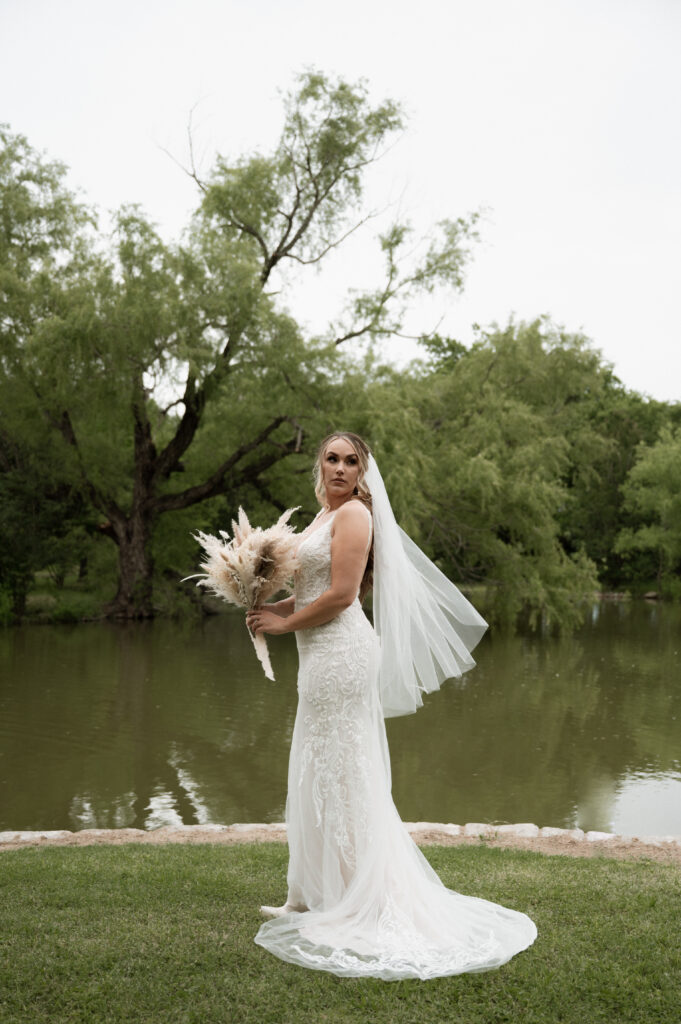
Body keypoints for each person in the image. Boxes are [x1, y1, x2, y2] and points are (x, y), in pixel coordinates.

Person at [246, 432, 536, 980]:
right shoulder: (318, 517)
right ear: (320, 464)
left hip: (342, 654)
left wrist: (284, 624)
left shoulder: (354, 516)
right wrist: (265, 607)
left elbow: (341, 596)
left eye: (350, 461)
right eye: (331, 458)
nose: (339, 467)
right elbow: (310, 591)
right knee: (313, 768)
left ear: (361, 472)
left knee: (344, 774)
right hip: (318, 658)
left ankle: (361, 901)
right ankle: (306, 895)